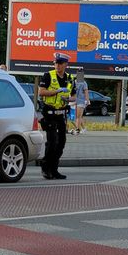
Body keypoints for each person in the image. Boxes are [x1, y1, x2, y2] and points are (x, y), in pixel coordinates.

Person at [38, 52, 76, 180]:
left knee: (61, 143)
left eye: (60, 63)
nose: (57, 66)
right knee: (52, 142)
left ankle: (54, 169)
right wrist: (57, 91)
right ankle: (46, 168)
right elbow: (41, 92)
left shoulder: (70, 78)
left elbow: (75, 96)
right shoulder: (48, 75)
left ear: (66, 64)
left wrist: (68, 99)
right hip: (49, 113)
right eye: (55, 63)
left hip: (61, 115)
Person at [74, 69, 90, 134]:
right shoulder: (74, 81)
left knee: (78, 116)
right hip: (75, 101)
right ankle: (84, 128)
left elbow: (86, 92)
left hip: (81, 101)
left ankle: (77, 129)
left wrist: (87, 100)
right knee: (78, 116)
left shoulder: (84, 83)